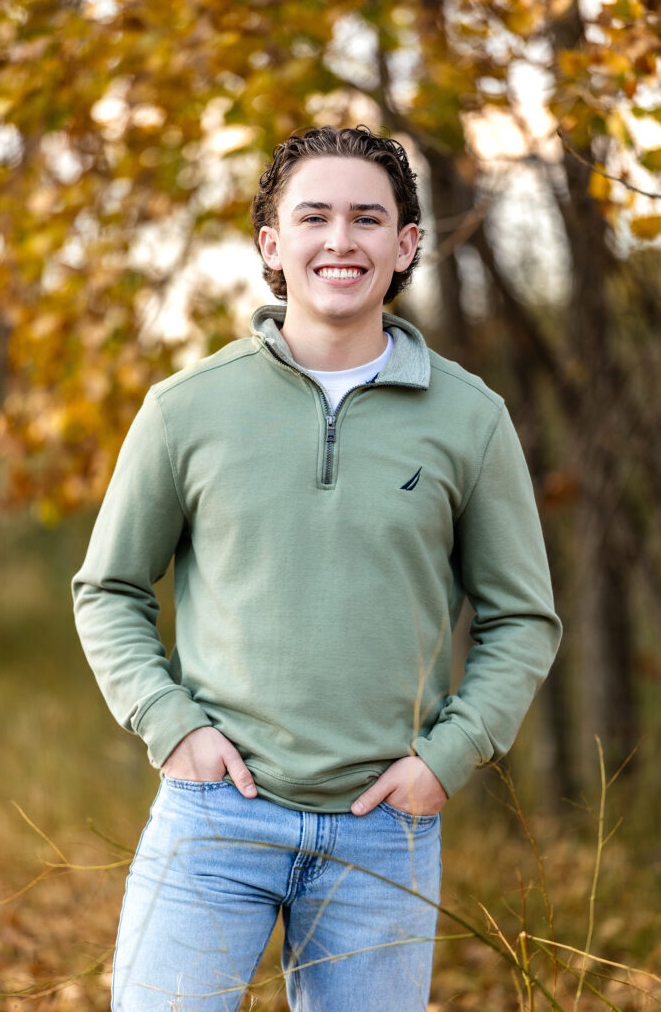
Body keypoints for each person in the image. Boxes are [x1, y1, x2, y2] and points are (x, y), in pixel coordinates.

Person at [72, 125, 562, 1012]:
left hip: (385, 828)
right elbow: (106, 588)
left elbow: (521, 617)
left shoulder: (469, 419)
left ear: (405, 244)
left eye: (368, 219)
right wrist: (171, 726)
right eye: (316, 216)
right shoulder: (187, 409)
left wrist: (446, 759)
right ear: (272, 244)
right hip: (214, 814)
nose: (342, 240)